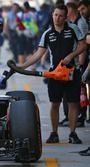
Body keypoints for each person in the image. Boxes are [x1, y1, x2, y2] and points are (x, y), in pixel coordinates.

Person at [17, 4, 86, 144]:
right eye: (55, 15)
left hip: (73, 73)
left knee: (73, 103)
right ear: (52, 15)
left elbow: (83, 45)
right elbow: (39, 53)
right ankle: (54, 133)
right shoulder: (47, 33)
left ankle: (72, 134)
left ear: (65, 17)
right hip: (55, 74)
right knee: (55, 103)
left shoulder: (73, 29)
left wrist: (72, 55)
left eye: (61, 16)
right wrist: (22, 66)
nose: (57, 18)